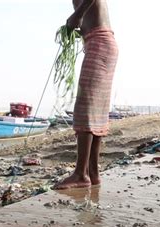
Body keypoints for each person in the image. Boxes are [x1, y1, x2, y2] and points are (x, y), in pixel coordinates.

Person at [54, 0, 119, 189]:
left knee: (85, 108)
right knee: (96, 111)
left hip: (100, 44)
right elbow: (93, 20)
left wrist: (78, 14)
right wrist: (76, 30)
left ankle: (80, 174)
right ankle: (93, 173)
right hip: (101, 43)